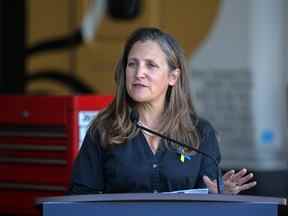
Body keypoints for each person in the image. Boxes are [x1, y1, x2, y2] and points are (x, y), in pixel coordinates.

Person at [68, 27, 256, 195]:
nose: (139, 73)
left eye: (151, 65)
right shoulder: (104, 129)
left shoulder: (201, 133)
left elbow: (207, 196)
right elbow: (79, 197)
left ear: (173, 77)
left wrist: (217, 195)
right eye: (132, 64)